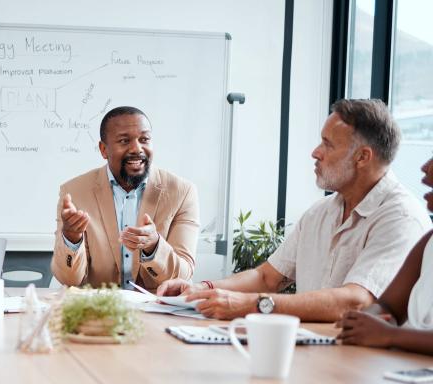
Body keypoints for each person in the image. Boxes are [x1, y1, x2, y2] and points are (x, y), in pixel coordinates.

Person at [158, 99, 431, 322]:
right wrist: (202, 289)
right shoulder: (320, 212)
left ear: (363, 157)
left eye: (328, 144)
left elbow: (356, 301)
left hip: (362, 368)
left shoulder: (401, 218)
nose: (315, 152)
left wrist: (255, 305)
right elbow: (267, 277)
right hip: (313, 352)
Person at [51, 106, 199, 289]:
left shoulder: (182, 192)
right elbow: (69, 280)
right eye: (124, 140)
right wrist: (71, 238)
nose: (137, 148)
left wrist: (154, 247)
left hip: (158, 309)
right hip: (99, 309)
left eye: (144, 139)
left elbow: (183, 275)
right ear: (104, 149)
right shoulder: (74, 192)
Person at [338, 154, 433, 353]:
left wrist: (390, 335)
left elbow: (389, 329)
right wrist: (365, 320)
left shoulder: (404, 215)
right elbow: (389, 306)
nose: (425, 167)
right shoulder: (429, 242)